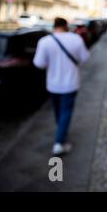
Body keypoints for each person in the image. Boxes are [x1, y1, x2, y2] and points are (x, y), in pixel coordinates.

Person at [33, 17, 90, 155]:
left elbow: (39, 63)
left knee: (59, 111)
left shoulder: (45, 42)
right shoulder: (76, 39)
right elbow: (85, 58)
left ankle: (61, 133)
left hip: (53, 84)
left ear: (54, 26)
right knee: (66, 112)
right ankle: (59, 142)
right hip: (70, 83)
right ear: (66, 26)